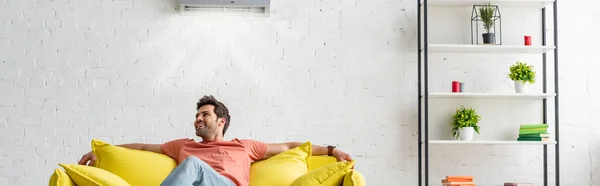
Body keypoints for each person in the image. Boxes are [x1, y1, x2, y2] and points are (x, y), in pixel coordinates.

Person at [78, 95, 353, 186]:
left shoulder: (244, 146)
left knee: (193, 165)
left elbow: (292, 147)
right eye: (197, 115)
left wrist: (332, 149)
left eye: (204, 115)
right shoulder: (183, 145)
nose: (198, 119)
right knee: (192, 164)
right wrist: (101, 153)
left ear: (221, 121)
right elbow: (140, 147)